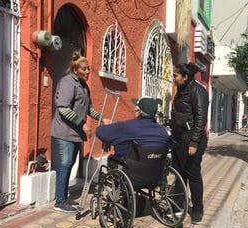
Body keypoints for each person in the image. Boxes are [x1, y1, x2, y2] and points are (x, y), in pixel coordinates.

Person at [51, 51, 110, 212]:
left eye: (88, 69)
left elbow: (88, 108)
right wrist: (83, 124)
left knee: (69, 165)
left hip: (75, 133)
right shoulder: (67, 82)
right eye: (84, 69)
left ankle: (64, 197)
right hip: (64, 131)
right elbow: (63, 108)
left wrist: (101, 118)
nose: (87, 72)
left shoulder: (83, 85)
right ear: (75, 70)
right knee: (65, 164)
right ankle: (60, 201)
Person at [170, 62, 209, 225]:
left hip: (192, 141)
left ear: (185, 76)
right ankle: (178, 206)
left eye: (175, 76)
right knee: (179, 176)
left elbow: (201, 118)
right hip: (178, 139)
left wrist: (194, 142)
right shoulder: (182, 90)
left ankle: (198, 209)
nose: (173, 79)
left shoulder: (197, 91)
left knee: (193, 175)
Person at [96, 97, 169, 159]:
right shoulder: (163, 132)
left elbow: (100, 131)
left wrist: (108, 130)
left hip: (130, 169)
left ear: (138, 112)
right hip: (154, 172)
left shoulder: (129, 126)